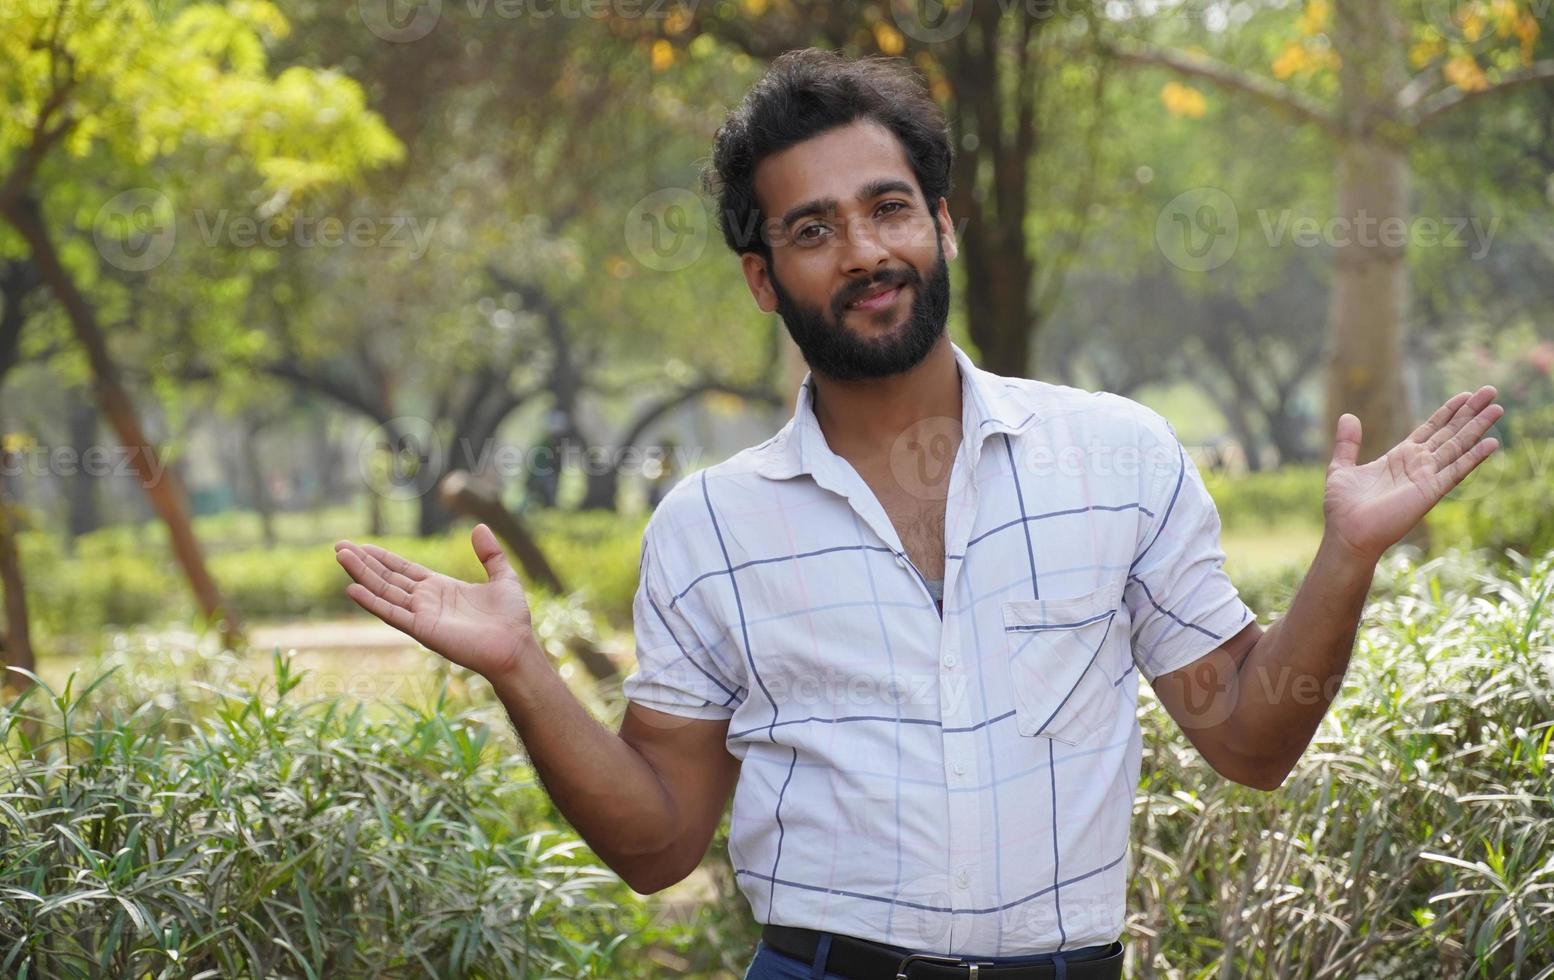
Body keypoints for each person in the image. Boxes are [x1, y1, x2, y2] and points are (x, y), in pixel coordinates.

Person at [334, 49, 1503, 980]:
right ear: (764, 277)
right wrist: (521, 669)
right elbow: (656, 845)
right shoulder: (712, 527)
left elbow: (1252, 740)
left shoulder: (1116, 456)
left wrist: (1347, 553)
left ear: (939, 223)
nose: (863, 251)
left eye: (888, 207)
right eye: (811, 228)